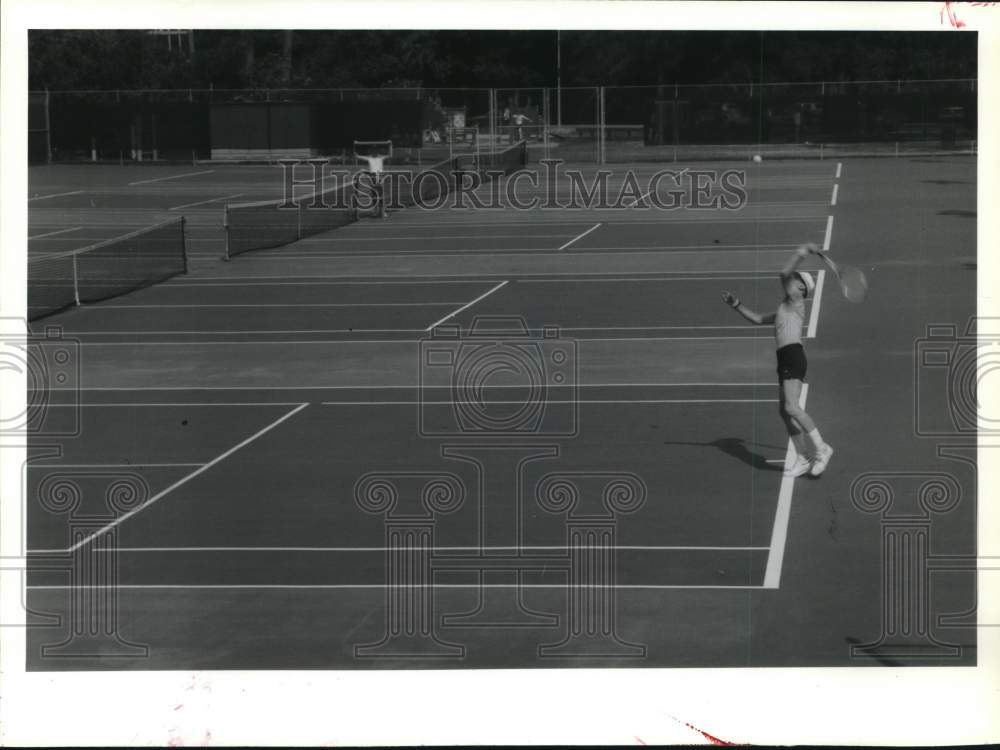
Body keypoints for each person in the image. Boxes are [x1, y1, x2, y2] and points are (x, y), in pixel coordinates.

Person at [721, 242, 834, 477]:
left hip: (793, 355)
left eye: (795, 279)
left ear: (801, 288)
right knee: (784, 411)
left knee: (792, 407)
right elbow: (758, 319)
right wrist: (736, 305)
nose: (790, 280)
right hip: (784, 359)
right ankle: (803, 457)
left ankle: (822, 448)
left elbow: (783, 273)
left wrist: (802, 252)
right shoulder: (785, 308)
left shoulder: (796, 300)